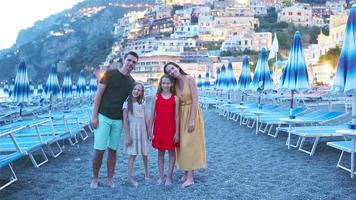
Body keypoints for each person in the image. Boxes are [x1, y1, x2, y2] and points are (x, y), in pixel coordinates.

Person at [90, 51, 139, 189]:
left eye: (134, 62)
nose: (131, 64)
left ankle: (110, 178)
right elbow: (99, 95)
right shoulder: (110, 74)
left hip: (118, 120)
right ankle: (95, 178)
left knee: (113, 150)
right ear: (124, 60)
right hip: (103, 116)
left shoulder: (132, 82)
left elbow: (131, 104)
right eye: (129, 60)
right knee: (99, 150)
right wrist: (94, 116)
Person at [164, 62, 206, 188]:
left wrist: (192, 119)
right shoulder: (175, 84)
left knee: (189, 144)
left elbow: (195, 100)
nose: (171, 71)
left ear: (177, 67)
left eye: (172, 68)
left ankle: (190, 177)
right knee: (181, 144)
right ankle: (186, 171)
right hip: (180, 114)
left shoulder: (190, 79)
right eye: (169, 71)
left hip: (192, 113)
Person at [150, 75, 180, 186]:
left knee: (172, 153)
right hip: (159, 129)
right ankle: (161, 177)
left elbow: (177, 117)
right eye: (163, 83)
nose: (165, 85)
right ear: (160, 84)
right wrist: (149, 129)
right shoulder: (156, 97)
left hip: (171, 129)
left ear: (171, 84)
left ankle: (169, 177)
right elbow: (152, 114)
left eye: (168, 83)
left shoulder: (175, 98)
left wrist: (177, 133)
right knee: (160, 153)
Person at [122, 82, 150, 188]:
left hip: (142, 130)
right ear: (131, 90)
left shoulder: (142, 103)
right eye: (135, 89)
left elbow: (146, 118)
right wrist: (128, 136)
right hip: (133, 131)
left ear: (141, 92)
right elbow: (125, 121)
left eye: (139, 90)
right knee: (132, 155)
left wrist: (149, 131)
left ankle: (147, 173)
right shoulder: (126, 104)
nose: (136, 91)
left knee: (145, 154)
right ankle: (129, 177)